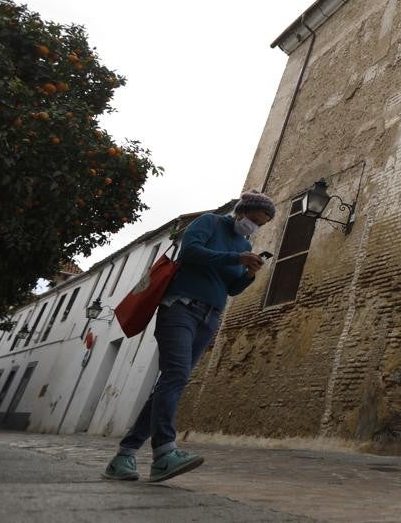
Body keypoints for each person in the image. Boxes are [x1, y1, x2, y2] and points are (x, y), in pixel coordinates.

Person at [102, 191, 276, 483]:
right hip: (180, 307)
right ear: (241, 211)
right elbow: (190, 253)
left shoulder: (245, 244)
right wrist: (235, 257)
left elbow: (230, 288)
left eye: (261, 224)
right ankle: (165, 452)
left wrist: (247, 274)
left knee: (172, 381)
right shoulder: (210, 222)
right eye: (254, 220)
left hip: (209, 317)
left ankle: (124, 455)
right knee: (176, 374)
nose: (255, 227)